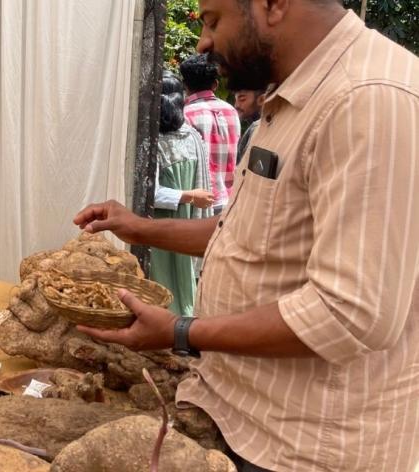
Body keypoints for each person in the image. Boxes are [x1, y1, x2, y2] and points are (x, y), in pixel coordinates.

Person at [73, 0, 419, 470]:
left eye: (213, 20)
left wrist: (181, 331)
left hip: (309, 452)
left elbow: (349, 313)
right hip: (248, 424)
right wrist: (139, 226)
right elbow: (246, 232)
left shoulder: (369, 98)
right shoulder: (294, 98)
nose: (202, 43)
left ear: (274, 5)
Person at [152, 70, 214, 317]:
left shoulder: (191, 136)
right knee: (164, 278)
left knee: (181, 277)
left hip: (183, 221)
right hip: (161, 225)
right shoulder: (154, 141)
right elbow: (152, 193)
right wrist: (189, 196)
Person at [180, 53, 240, 214]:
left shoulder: (184, 114)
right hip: (229, 199)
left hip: (199, 201)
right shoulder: (232, 111)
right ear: (215, 84)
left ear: (185, 84)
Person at [232, 88, 265, 164]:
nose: (236, 105)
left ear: (262, 99)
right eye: (235, 99)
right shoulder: (253, 126)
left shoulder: (256, 127)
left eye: (242, 99)